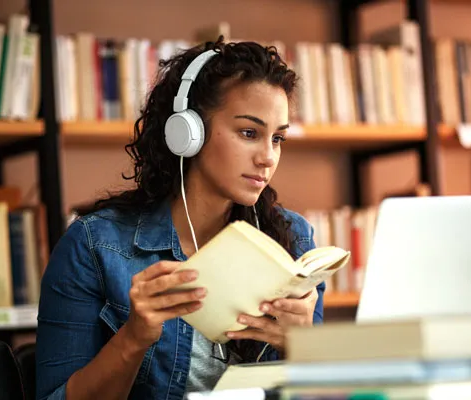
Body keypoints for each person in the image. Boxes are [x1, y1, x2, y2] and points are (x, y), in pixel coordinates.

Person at [35, 37, 326, 400]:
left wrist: (305, 349)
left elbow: (318, 392)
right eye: (249, 133)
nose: (268, 157)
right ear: (188, 133)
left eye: (278, 138)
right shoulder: (93, 246)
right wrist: (133, 338)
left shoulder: (293, 239)